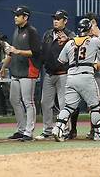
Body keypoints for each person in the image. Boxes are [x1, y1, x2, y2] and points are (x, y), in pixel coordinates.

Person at [52, 18, 100, 142]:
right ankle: (99, 134)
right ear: (89, 29)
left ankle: (58, 128)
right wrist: (99, 34)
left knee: (68, 107)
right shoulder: (94, 41)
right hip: (86, 76)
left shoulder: (70, 42)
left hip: (71, 77)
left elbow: (61, 61)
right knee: (95, 107)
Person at [0, 6, 41, 141]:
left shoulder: (31, 31)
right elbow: (12, 51)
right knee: (14, 100)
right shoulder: (16, 31)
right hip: (16, 71)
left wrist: (18, 51)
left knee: (28, 102)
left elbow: (35, 52)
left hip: (28, 71)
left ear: (25, 17)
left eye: (18, 15)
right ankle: (21, 129)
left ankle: (29, 132)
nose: (15, 17)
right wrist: (4, 66)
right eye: (15, 15)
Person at [37, 10, 75, 140]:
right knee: (45, 102)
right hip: (49, 73)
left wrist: (68, 39)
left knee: (64, 104)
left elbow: (77, 45)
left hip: (63, 74)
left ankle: (64, 130)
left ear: (65, 21)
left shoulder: (70, 34)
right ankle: (47, 130)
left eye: (58, 19)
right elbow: (43, 51)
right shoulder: (48, 34)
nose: (55, 21)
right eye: (54, 18)